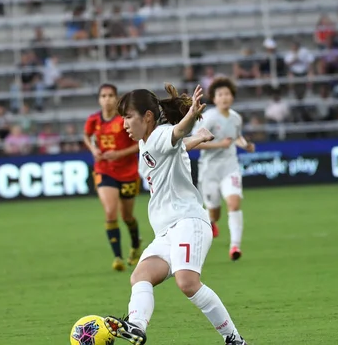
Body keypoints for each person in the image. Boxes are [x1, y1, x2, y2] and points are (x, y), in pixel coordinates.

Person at [104, 84, 248, 345]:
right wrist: (198, 138)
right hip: (167, 231)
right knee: (140, 276)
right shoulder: (146, 142)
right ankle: (136, 325)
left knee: (187, 282)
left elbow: (176, 133)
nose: (123, 123)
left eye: (128, 117)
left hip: (187, 222)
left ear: (147, 117)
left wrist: (191, 114)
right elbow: (176, 147)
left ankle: (234, 339)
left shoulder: (158, 135)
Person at [194, 77, 255, 261]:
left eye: (227, 94)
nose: (224, 97)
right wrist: (219, 145)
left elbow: (236, 137)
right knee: (214, 211)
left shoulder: (236, 118)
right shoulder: (209, 118)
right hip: (209, 170)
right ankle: (211, 221)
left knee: (234, 203)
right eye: (220, 94)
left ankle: (235, 246)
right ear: (214, 98)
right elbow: (195, 143)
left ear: (232, 96)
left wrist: (245, 145)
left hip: (230, 167)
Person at [83, 84, 143, 272]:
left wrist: (120, 154)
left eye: (110, 95)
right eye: (103, 95)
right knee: (110, 211)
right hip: (104, 170)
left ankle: (135, 243)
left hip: (127, 172)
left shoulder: (125, 119)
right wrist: (93, 149)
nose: (107, 99)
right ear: (99, 99)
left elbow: (141, 143)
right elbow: (86, 135)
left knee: (127, 216)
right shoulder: (94, 120)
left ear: (116, 98)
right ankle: (117, 257)